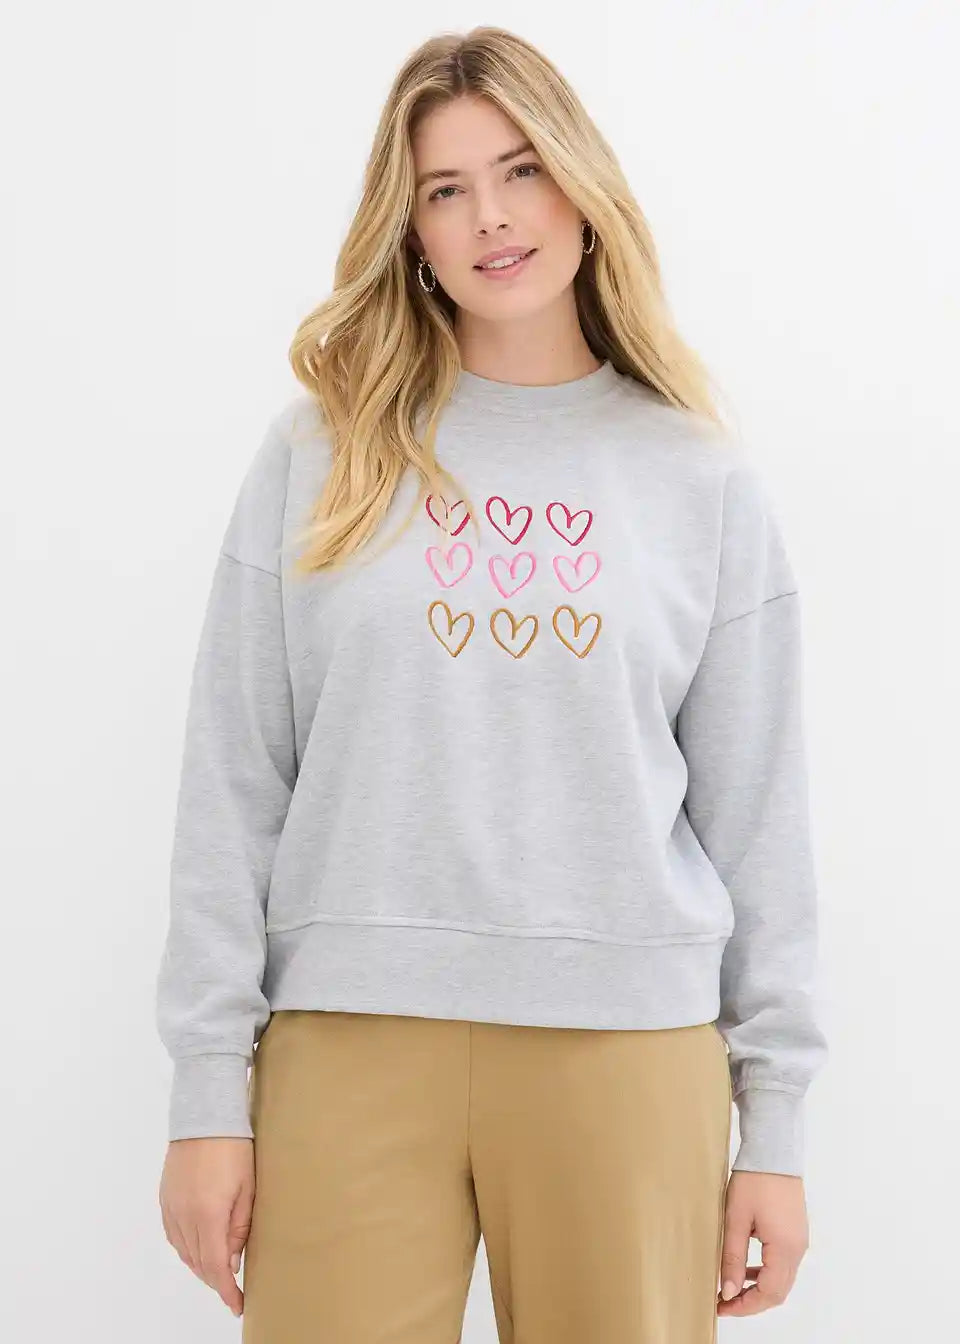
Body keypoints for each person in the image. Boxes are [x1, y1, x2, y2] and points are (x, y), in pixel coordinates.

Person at [155, 24, 828, 1343]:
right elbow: (233, 783)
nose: (493, 218)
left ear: (582, 184)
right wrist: (204, 1094)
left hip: (625, 1049)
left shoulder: (697, 476)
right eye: (446, 190)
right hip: (350, 1039)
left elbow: (760, 816)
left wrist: (780, 1126)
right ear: (409, 230)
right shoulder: (322, 452)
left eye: (521, 170)